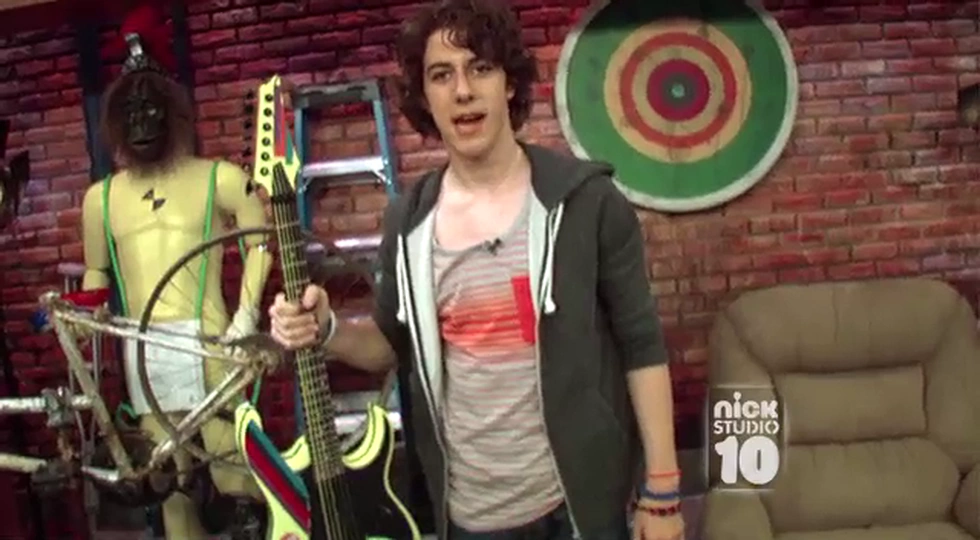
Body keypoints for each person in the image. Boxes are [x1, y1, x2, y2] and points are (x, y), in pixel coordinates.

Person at [269, 1, 684, 539]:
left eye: (480, 68)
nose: (463, 90)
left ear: (509, 83)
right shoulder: (409, 222)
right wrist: (325, 329)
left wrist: (662, 492)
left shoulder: (587, 203)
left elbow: (642, 346)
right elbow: (391, 345)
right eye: (442, 75)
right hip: (468, 518)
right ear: (425, 97)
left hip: (580, 510)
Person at [80, 5, 273, 538]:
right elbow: (96, 275)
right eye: (131, 111)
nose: (143, 121)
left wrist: (246, 315)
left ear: (172, 111)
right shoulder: (101, 200)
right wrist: (85, 332)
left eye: (152, 108)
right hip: (145, 354)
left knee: (236, 479)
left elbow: (260, 242)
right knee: (172, 488)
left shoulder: (220, 178)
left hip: (212, 348)